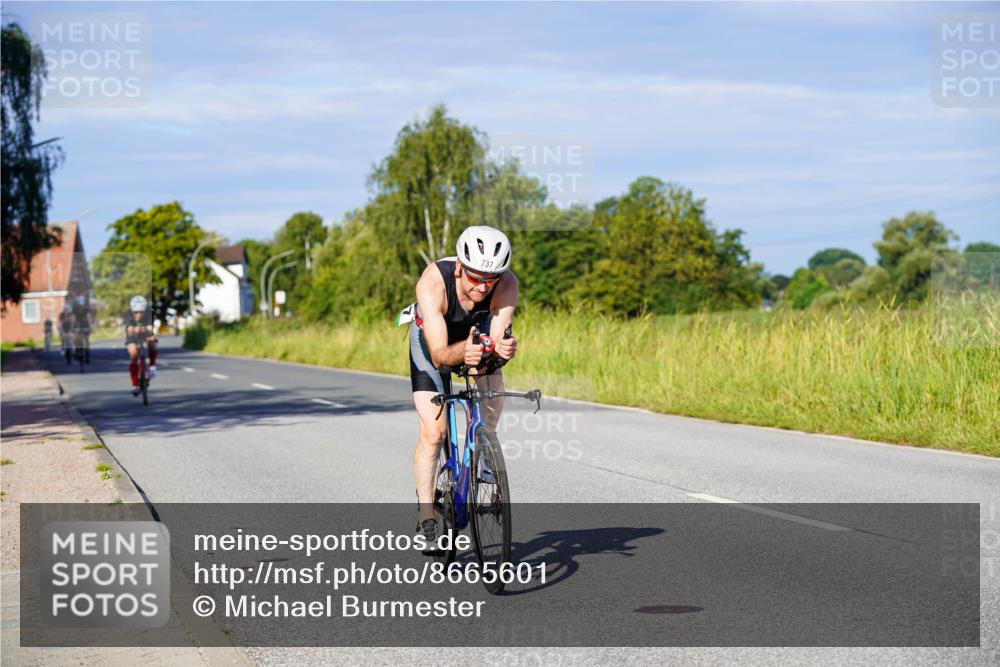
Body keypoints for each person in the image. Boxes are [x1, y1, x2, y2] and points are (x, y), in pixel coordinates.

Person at [406, 225, 519, 542]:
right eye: (475, 278)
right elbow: (441, 355)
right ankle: (427, 514)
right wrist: (462, 352)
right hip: (433, 342)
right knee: (434, 432)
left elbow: (496, 337)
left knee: (492, 390)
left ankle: (483, 446)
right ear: (459, 267)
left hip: (475, 334)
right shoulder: (433, 282)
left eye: (491, 279)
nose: (483, 288)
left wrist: (501, 350)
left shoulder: (507, 284)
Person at [125, 295, 158, 396]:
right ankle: (135, 385)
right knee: (133, 355)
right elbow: (129, 329)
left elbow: (151, 327)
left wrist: (148, 332)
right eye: (136, 312)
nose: (138, 314)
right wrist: (135, 329)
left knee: (152, 344)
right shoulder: (128, 314)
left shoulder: (149, 313)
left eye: (140, 312)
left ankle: (152, 366)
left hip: (146, 334)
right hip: (133, 336)